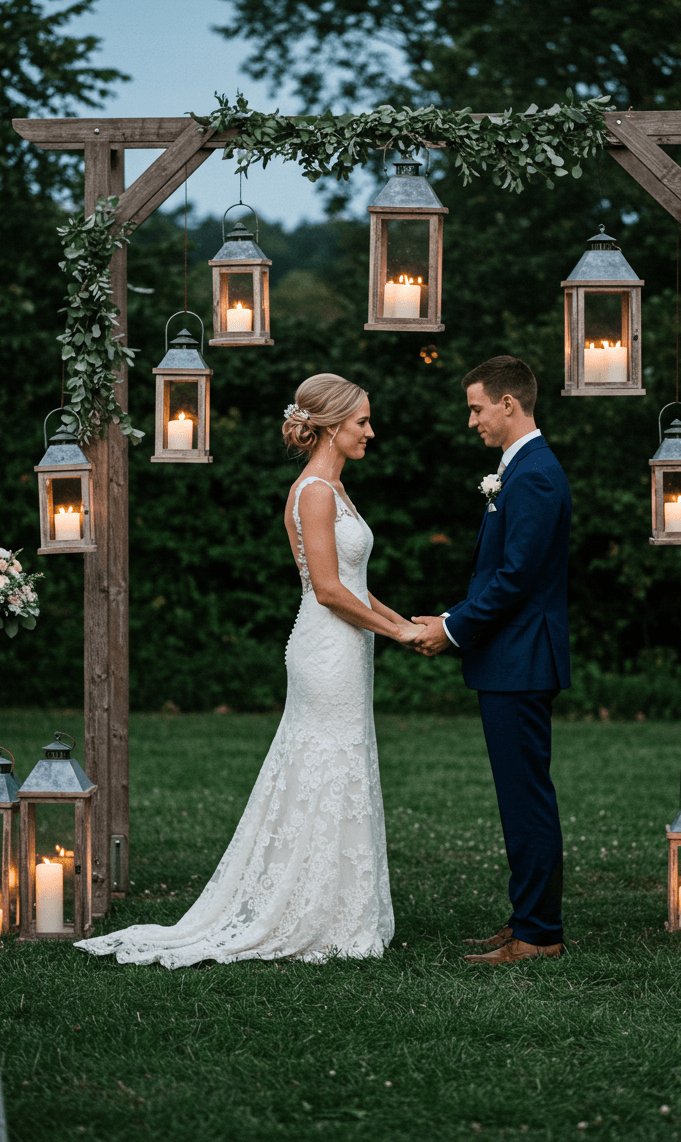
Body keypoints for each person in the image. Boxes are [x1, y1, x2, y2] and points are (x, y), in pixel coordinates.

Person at [76, 373, 421, 967]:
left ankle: (338, 905)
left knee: (343, 762)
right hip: (325, 648)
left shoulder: (336, 491)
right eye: (362, 421)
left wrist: (409, 623)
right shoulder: (313, 491)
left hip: (348, 646)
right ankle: (306, 910)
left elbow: (358, 586)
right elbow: (331, 592)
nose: (371, 430)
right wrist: (397, 632)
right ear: (333, 425)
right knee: (324, 763)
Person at [412, 355, 570, 965]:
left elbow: (514, 580)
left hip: (521, 660)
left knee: (526, 798)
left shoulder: (533, 475)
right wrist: (450, 619)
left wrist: (451, 628)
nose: (471, 419)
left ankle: (538, 933)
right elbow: (502, 578)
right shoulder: (521, 468)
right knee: (518, 797)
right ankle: (527, 920)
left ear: (510, 404)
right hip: (513, 658)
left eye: (477, 407)